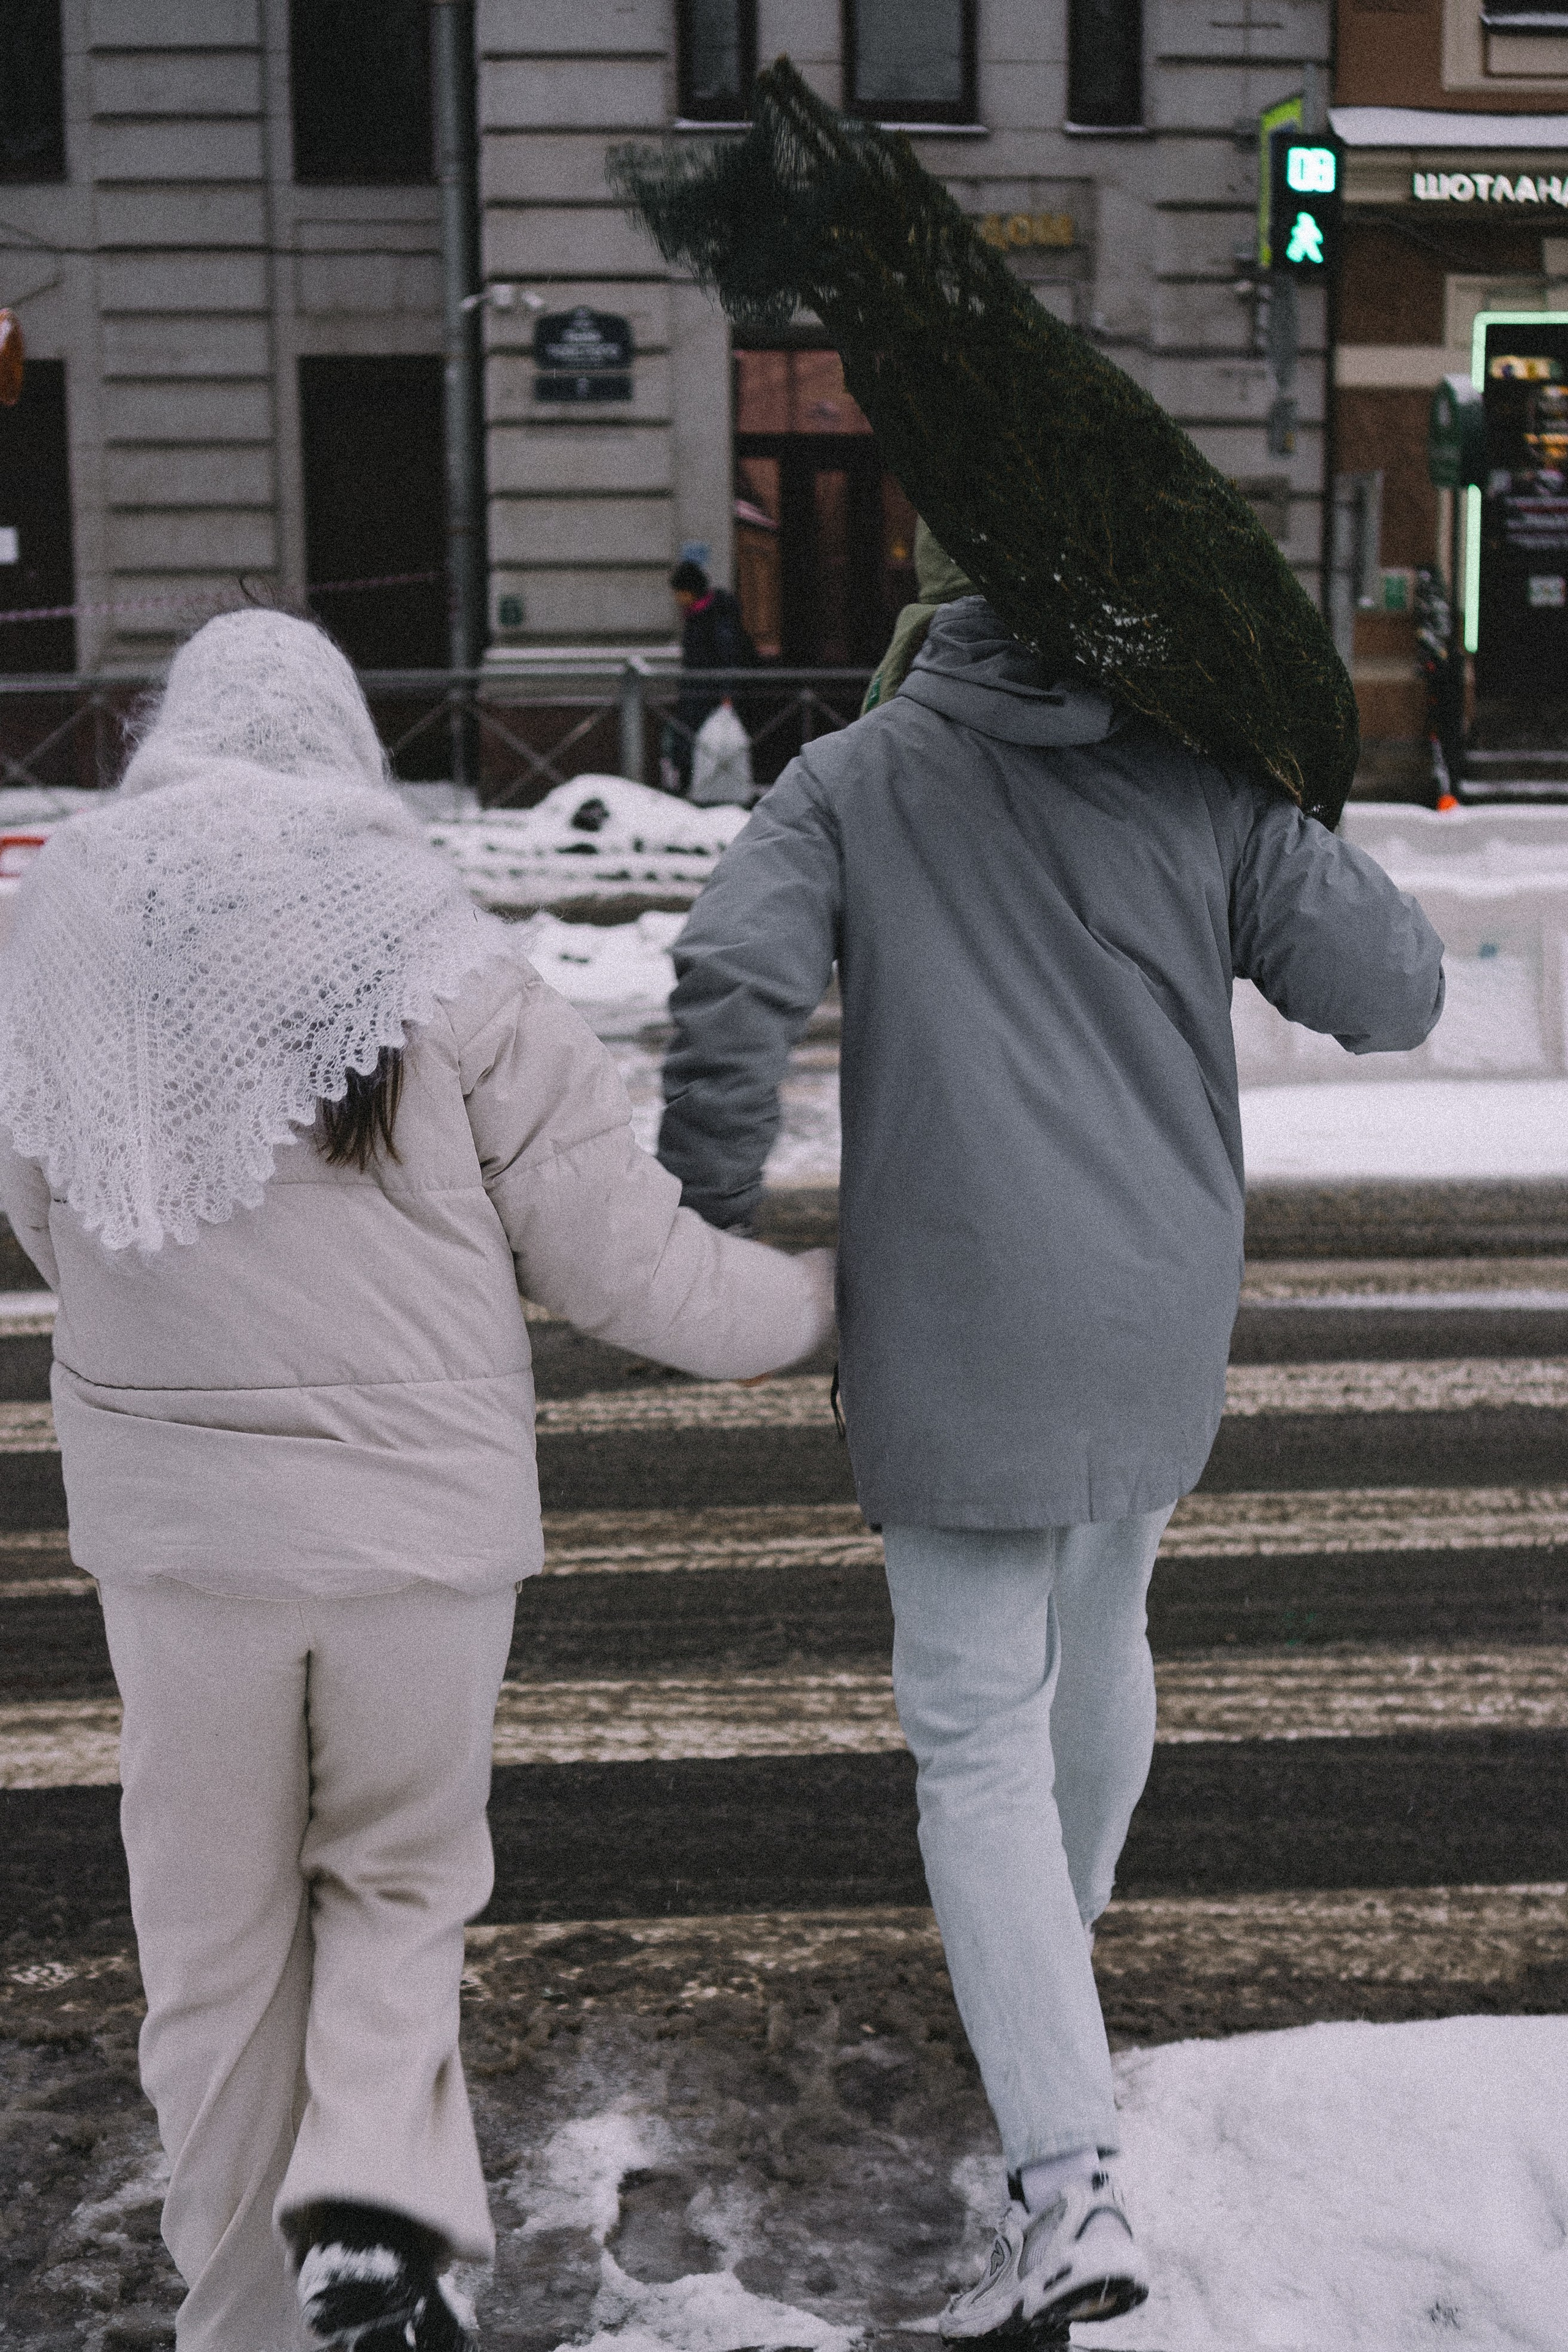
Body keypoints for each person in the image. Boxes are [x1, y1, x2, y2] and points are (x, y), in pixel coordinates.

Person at [0, 609, 835, 2352]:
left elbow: (42, 1217)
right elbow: (629, 1268)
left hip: (179, 1542)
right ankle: (374, 2203)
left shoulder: (58, 937)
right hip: (421, 1533)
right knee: (397, 1876)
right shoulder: (445, 961)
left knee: (213, 1961)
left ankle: (244, 2323)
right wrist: (822, 1311)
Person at [657, 591, 1444, 2338]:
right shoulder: (1199, 780)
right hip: (1158, 1302)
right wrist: (1274, 795)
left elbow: (729, 981)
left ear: (928, 627)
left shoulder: (855, 777)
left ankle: (1068, 2178)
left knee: (972, 1735)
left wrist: (704, 1206)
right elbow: (1393, 996)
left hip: (954, 1310)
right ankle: (1051, 1974)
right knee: (1107, 1628)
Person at [666, 558, 754, 791]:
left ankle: (701, 791)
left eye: (679, 592)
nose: (676, 598)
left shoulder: (716, 616)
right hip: (696, 691)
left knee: (697, 743)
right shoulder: (697, 614)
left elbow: (728, 656)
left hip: (709, 695)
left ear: (690, 590)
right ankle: (694, 787)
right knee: (688, 742)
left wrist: (728, 694)